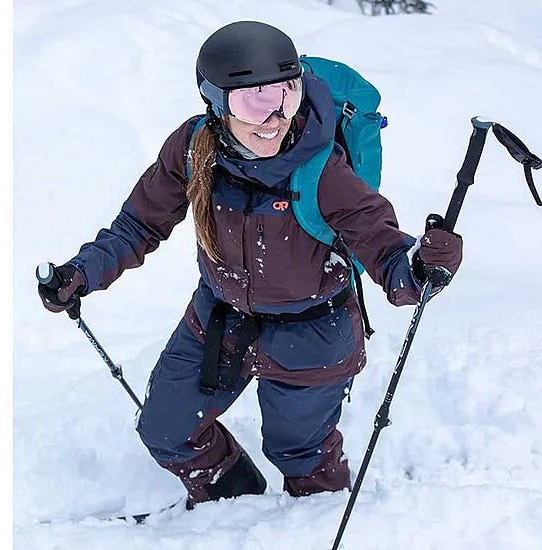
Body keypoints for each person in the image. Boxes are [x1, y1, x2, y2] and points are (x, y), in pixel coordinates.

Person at [38, 21, 463, 508]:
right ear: (216, 103)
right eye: (252, 101)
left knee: (300, 454)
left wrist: (423, 267)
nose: (275, 116)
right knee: (165, 429)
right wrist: (83, 273)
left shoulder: (323, 170)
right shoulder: (194, 149)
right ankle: (236, 509)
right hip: (221, 319)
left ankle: (317, 524)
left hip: (313, 333)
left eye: (286, 93)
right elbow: (139, 224)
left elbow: (386, 250)